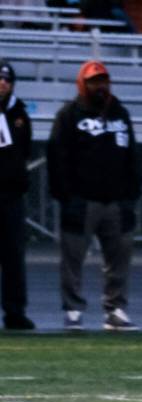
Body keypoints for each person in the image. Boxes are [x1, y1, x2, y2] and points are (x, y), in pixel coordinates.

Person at [47, 60, 141, 332]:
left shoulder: (120, 113)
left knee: (119, 259)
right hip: (82, 200)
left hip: (117, 200)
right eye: (94, 81)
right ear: (82, 84)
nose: (100, 86)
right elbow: (57, 157)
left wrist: (131, 194)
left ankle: (116, 309)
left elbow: (132, 155)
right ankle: (73, 310)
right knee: (73, 258)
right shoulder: (69, 115)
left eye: (103, 80)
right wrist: (65, 196)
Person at [0, 62, 34, 331]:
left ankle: (15, 311)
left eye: (6, 80)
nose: (2, 83)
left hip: (11, 195)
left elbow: (25, 151)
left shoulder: (19, 113)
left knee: (13, 255)